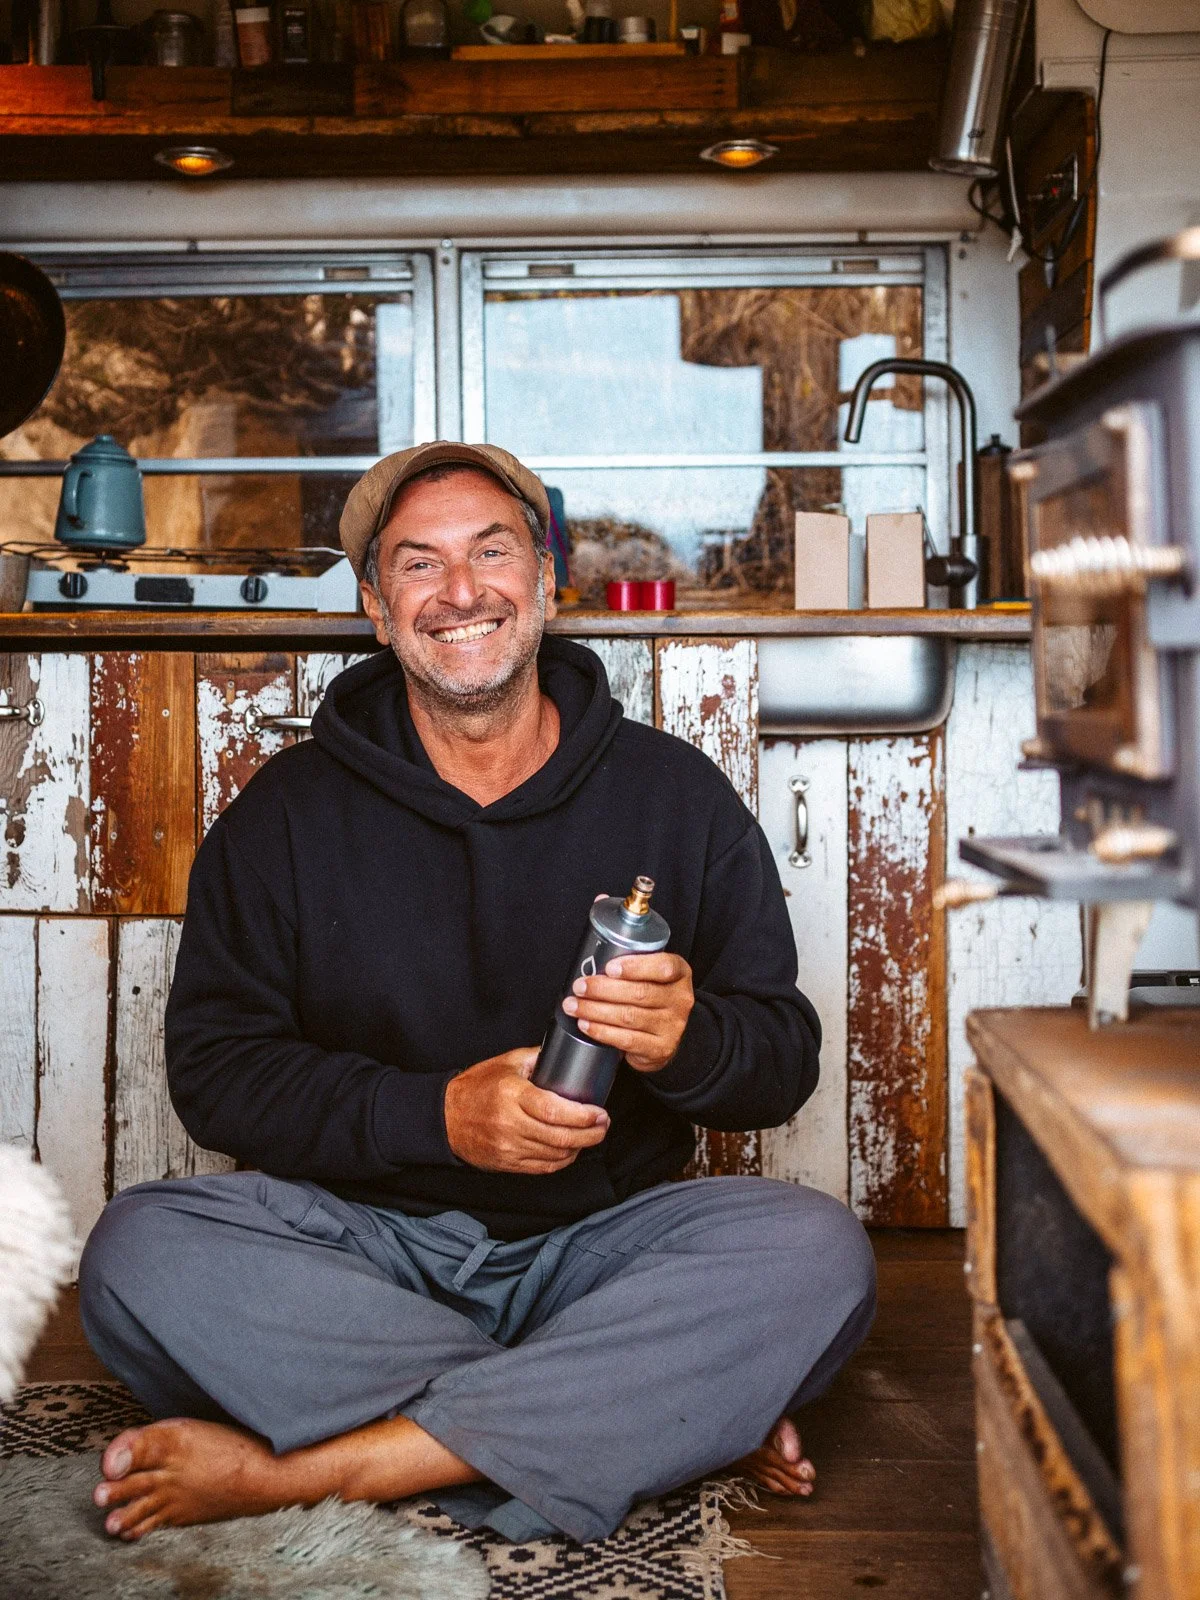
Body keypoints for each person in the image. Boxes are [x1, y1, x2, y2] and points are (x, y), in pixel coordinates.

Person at [78, 442, 876, 1545]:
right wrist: (439, 1115)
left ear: (545, 578)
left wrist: (686, 1039)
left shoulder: (674, 794)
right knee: (138, 1254)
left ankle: (330, 1466)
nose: (461, 591)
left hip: (599, 1251)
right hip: (362, 1250)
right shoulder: (284, 815)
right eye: (419, 564)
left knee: (817, 1253)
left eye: (492, 553)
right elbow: (217, 1076)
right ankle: (637, 1411)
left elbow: (782, 1060)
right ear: (375, 606)